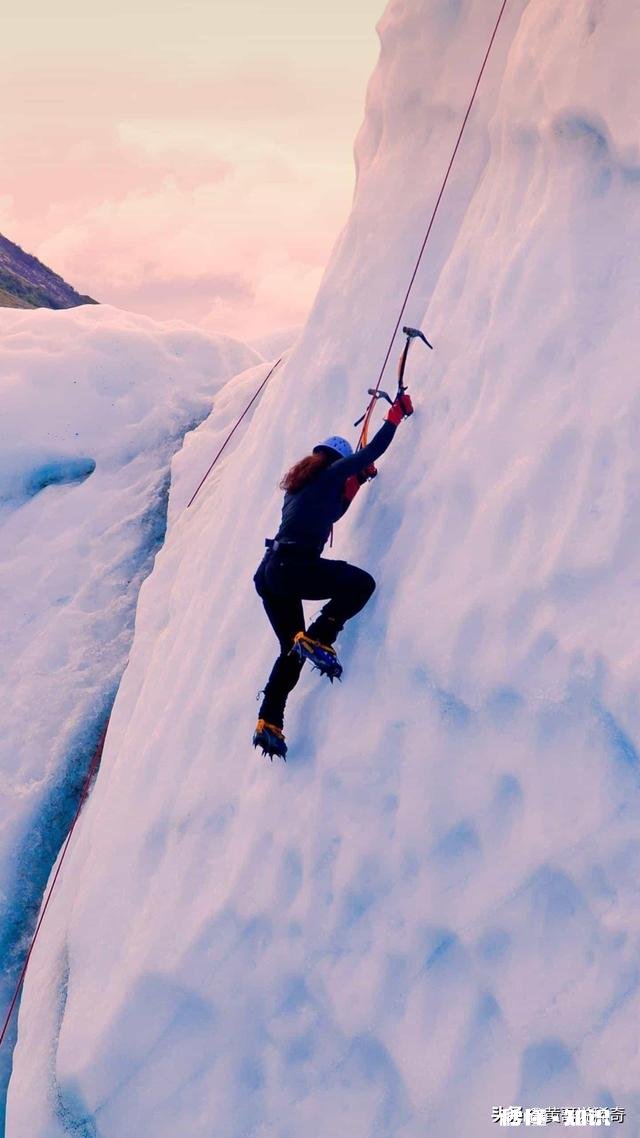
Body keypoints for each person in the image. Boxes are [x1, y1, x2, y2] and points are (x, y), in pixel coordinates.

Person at [253, 389, 414, 759]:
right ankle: (321, 636)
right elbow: (372, 451)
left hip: (269, 574)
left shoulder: (298, 488)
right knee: (360, 584)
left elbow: (335, 509)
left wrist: (359, 479)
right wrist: (395, 416)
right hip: (295, 568)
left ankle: (269, 721)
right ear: (338, 460)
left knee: (290, 650)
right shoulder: (330, 473)